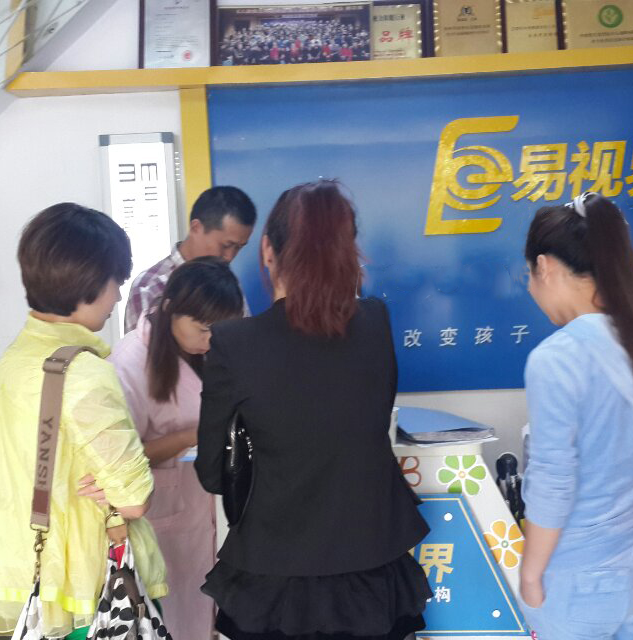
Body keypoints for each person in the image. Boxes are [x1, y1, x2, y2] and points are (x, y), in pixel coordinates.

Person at [195, 180, 432, 640]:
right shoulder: (374, 323)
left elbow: (213, 473)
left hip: (273, 570)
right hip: (371, 566)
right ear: (346, 252)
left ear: (268, 250)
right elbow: (370, 423)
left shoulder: (234, 343)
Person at [0, 203, 167, 639]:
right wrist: (115, 489)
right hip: (87, 581)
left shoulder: (18, 355)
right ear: (89, 282)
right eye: (116, 282)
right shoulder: (84, 372)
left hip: (32, 571)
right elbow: (134, 500)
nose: (117, 297)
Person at [518, 192, 633, 640]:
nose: (530, 288)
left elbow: (553, 479)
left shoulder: (557, 357)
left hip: (580, 576)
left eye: (528, 274)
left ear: (545, 267)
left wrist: (530, 573)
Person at [109, 257, 245, 640]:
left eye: (219, 330)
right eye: (202, 329)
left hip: (206, 515)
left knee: (203, 619)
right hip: (160, 521)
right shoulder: (129, 363)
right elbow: (118, 461)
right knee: (170, 622)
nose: (210, 340)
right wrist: (190, 436)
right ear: (169, 308)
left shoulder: (206, 352)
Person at [125, 185, 257, 332]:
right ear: (196, 227)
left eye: (239, 247)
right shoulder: (150, 287)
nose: (229, 257)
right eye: (226, 245)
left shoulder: (229, 283)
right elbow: (143, 346)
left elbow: (243, 338)